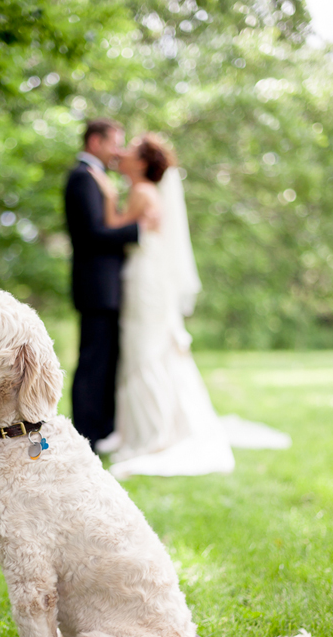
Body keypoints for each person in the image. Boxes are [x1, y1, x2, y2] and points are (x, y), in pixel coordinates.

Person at [87, 135, 237, 477]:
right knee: (146, 352)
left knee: (145, 353)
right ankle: (143, 431)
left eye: (130, 151)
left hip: (145, 280)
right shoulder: (144, 192)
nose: (122, 154)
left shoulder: (141, 192)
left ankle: (152, 436)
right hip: (144, 276)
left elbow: (112, 226)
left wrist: (108, 195)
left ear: (141, 164)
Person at [64, 119, 140, 451]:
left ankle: (104, 431)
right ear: (95, 142)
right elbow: (90, 234)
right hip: (96, 288)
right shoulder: (81, 178)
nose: (119, 151)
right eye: (114, 143)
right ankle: (86, 435)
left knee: (107, 362)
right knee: (94, 362)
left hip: (108, 288)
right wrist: (136, 231)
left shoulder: (96, 177)